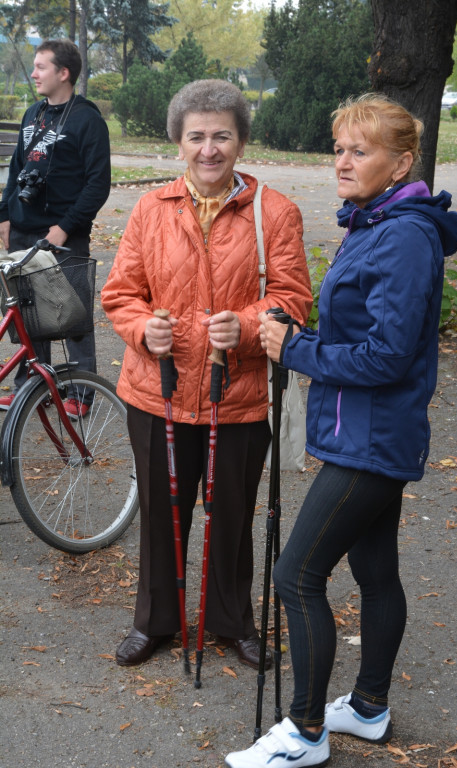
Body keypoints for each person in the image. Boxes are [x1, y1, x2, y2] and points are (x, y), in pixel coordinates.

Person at [225, 94, 457, 768]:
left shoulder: (405, 236)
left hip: (371, 438)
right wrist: (301, 336)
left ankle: (304, 733)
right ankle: (367, 707)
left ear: (401, 161)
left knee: (296, 574)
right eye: (339, 148)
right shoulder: (376, 222)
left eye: (360, 151)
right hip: (363, 431)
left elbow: (387, 356)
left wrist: (294, 350)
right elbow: (363, 332)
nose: (343, 161)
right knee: (373, 568)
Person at [101, 79, 312, 671]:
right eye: (197, 136)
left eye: (222, 135)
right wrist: (146, 329)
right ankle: (156, 622)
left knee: (233, 515)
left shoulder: (275, 212)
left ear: (242, 142)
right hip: (158, 393)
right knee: (162, 515)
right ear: (178, 142)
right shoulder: (151, 208)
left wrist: (245, 328)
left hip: (238, 395)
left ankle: (230, 622)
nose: (209, 148)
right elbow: (120, 293)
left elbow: (293, 298)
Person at [0, 39, 110, 417]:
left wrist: (65, 227)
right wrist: (3, 215)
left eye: (41, 67)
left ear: (63, 73)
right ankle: (33, 388)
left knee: (72, 316)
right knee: (28, 318)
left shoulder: (88, 120)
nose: (33, 73)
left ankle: (81, 394)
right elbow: (15, 171)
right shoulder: (33, 113)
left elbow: (98, 183)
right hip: (22, 231)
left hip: (64, 236)